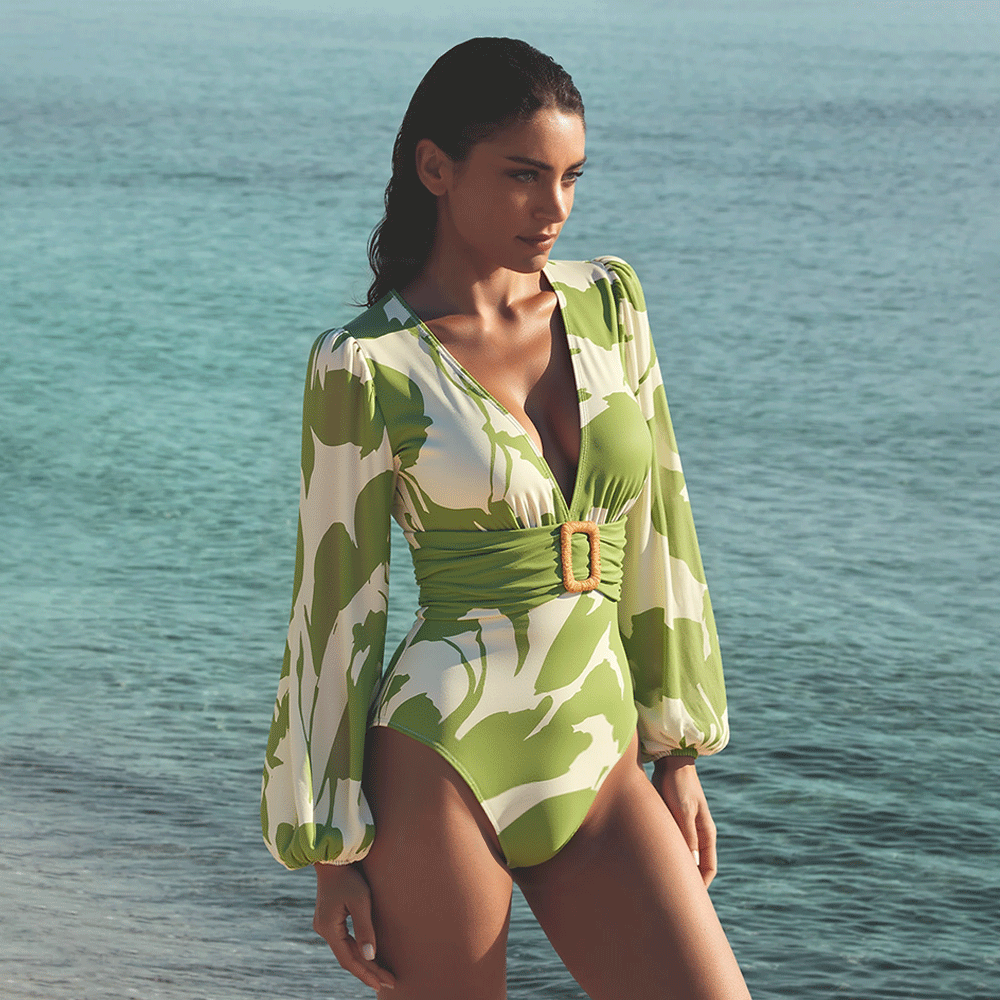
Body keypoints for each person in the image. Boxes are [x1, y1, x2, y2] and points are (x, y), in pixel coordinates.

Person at [261, 37, 752, 1000]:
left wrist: (679, 751)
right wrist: (330, 846)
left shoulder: (610, 304)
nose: (554, 207)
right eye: (523, 174)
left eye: (571, 176)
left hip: (603, 758)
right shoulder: (367, 363)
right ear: (435, 168)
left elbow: (662, 529)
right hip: (444, 759)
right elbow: (335, 606)